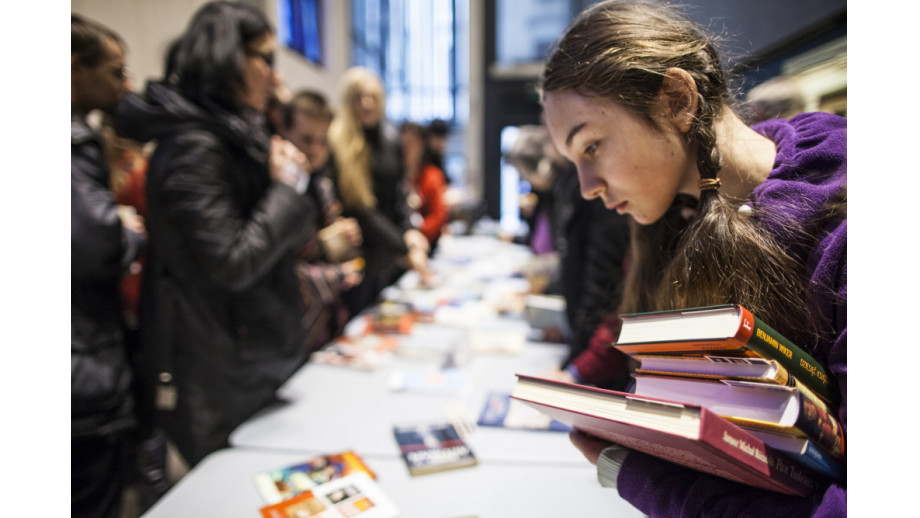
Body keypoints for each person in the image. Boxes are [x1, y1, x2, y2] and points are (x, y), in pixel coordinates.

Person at [539, 1, 846, 516]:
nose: (588, 188)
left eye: (591, 146)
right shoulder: (675, 222)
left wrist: (639, 475)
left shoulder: (849, 227)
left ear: (677, 100)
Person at [113, 1, 319, 467]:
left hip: (246, 351)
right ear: (228, 59)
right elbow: (232, 262)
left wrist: (289, 189)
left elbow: (287, 235)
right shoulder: (195, 147)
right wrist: (286, 189)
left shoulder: (233, 133)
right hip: (217, 366)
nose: (276, 77)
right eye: (265, 60)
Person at [71, 13, 145, 518]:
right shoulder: (70, 141)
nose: (125, 83)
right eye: (115, 71)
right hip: (84, 362)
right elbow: (95, 244)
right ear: (74, 68)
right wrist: (130, 230)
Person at [328, 67, 431, 315]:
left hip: (388, 253)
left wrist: (409, 232)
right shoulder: (338, 141)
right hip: (359, 255)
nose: (367, 103)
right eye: (359, 97)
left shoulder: (390, 139)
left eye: (372, 96)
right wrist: (404, 247)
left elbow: (399, 192)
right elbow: (361, 208)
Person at [284, 89, 364, 352]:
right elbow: (274, 270)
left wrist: (343, 238)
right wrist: (334, 275)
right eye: (306, 139)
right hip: (291, 331)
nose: (315, 150)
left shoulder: (322, 184)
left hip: (327, 323)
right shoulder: (277, 189)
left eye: (322, 141)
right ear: (284, 133)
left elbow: (333, 247)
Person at [399, 121, 450, 250]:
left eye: (412, 143)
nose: (407, 148)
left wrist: (416, 232)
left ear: (422, 146)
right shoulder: (392, 175)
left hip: (425, 243)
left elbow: (438, 216)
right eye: (403, 143)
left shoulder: (432, 176)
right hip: (398, 242)